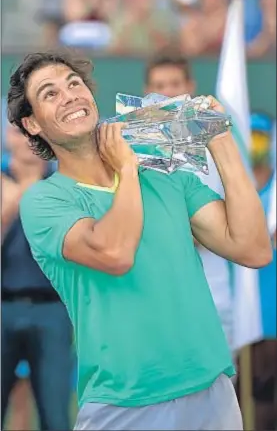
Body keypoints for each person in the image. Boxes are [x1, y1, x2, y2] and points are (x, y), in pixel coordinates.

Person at [7, 50, 272, 431]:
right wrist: (127, 168)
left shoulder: (167, 175)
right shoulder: (45, 200)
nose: (69, 96)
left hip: (212, 390)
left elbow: (253, 248)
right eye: (50, 94)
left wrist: (222, 140)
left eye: (74, 84)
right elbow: (115, 253)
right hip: (125, 405)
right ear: (32, 124)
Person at [144, 54, 235, 354]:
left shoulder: (217, 146)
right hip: (156, 297)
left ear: (190, 88)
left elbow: (226, 219)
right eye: (159, 85)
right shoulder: (131, 152)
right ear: (146, 91)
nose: (166, 92)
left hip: (212, 294)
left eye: (174, 84)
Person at [1, 123, 72, 430]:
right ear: (7, 137)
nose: (27, 142)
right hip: (3, 308)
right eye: (19, 133)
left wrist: (33, 196)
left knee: (55, 416)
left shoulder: (64, 188)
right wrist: (11, 204)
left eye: (35, 135)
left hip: (53, 310)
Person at [249, 112, 277, 431]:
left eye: (260, 135)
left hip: (271, 311)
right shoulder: (233, 188)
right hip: (238, 309)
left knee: (267, 395)